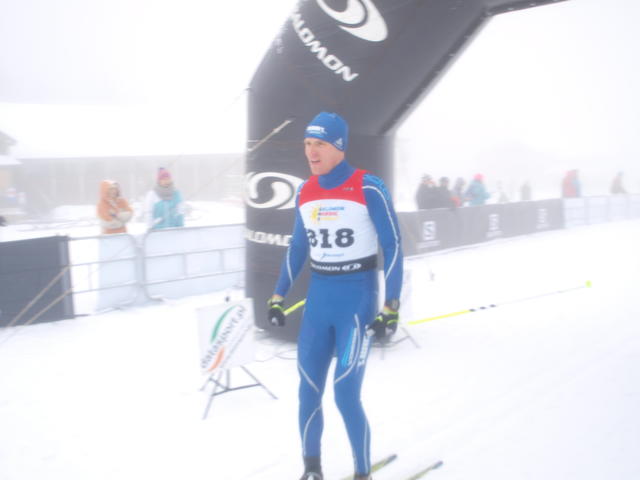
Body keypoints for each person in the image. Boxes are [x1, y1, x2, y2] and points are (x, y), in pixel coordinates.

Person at [266, 112, 403, 480]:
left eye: (320, 144)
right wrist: (278, 295)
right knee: (308, 391)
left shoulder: (368, 187)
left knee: (345, 394)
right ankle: (312, 469)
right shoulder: (305, 191)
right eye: (307, 144)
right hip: (319, 304)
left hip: (355, 305)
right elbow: (298, 247)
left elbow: (392, 245)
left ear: (339, 146)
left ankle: (362, 473)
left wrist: (391, 305)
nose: (311, 152)